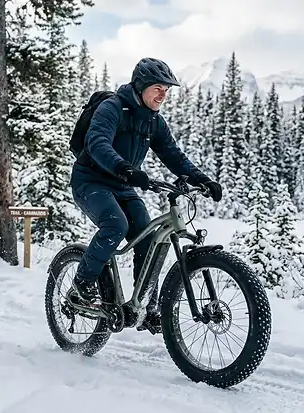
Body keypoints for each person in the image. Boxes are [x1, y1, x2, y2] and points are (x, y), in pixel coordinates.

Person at [69, 57, 223, 333]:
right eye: (158, 88)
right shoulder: (112, 108)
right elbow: (97, 143)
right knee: (116, 224)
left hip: (123, 184)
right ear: (141, 86)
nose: (163, 94)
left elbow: (173, 155)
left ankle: (144, 307)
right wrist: (125, 168)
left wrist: (202, 179)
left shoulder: (154, 121)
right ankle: (82, 283)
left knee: (148, 239)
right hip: (90, 181)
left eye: (167, 90)